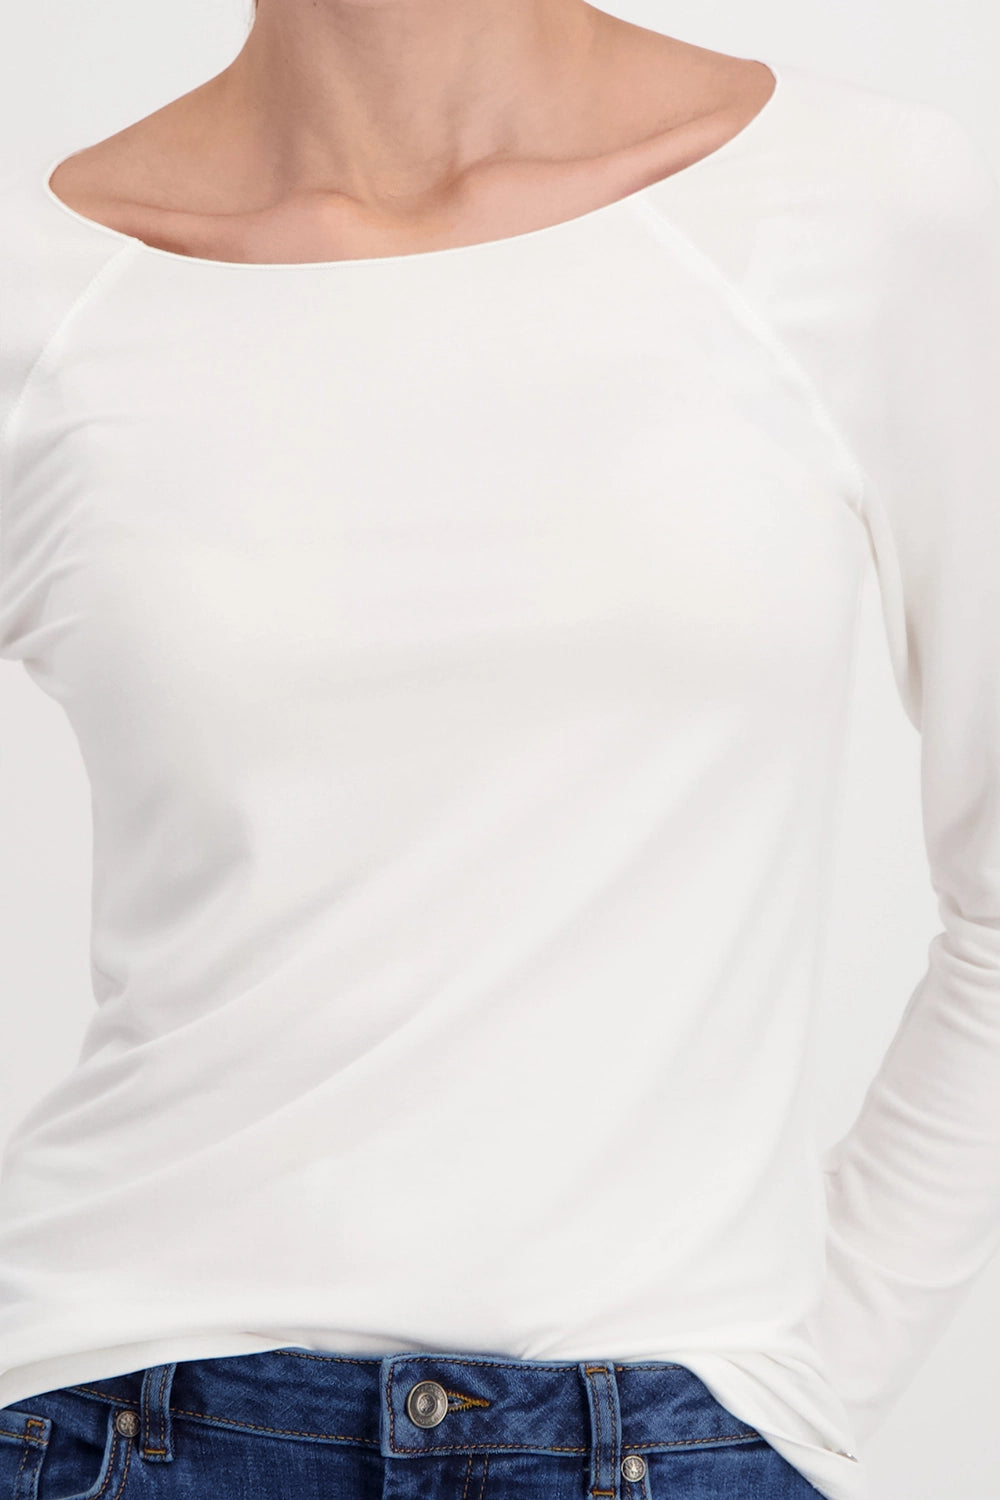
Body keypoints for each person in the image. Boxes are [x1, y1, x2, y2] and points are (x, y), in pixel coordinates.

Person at [0, 2, 998, 1496]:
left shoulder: (869, 207)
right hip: (114, 1420)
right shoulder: (44, 295)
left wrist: (783, 1399)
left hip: (670, 1424)